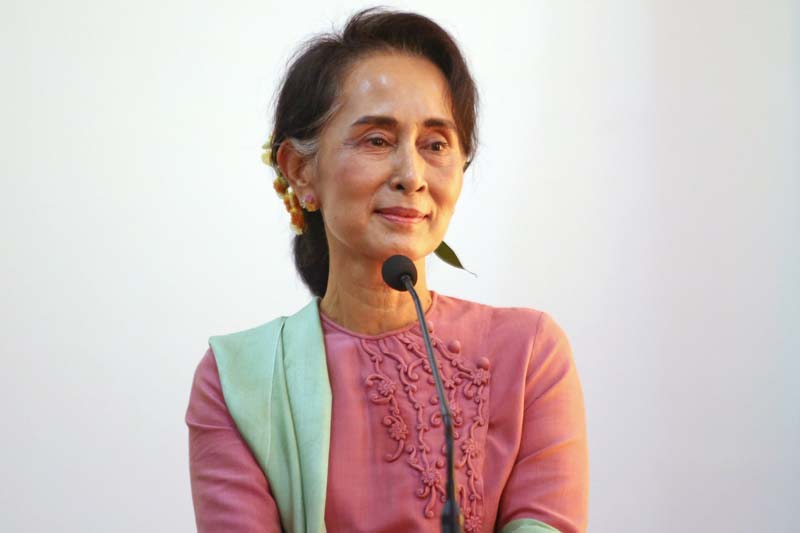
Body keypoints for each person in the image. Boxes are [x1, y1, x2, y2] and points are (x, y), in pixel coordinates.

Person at [185, 7, 589, 533]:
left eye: (436, 144)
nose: (411, 175)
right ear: (299, 168)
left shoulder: (529, 353)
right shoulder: (237, 381)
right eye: (377, 139)